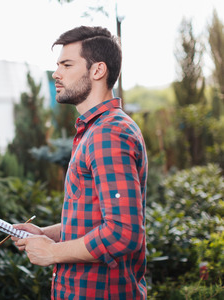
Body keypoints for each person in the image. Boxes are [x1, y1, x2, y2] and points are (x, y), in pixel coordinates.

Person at [12, 26, 148, 299]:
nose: (56, 74)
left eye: (67, 64)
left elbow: (123, 232)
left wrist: (52, 252)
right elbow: (96, 218)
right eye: (57, 65)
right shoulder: (96, 130)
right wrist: (45, 233)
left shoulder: (108, 133)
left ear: (97, 70)